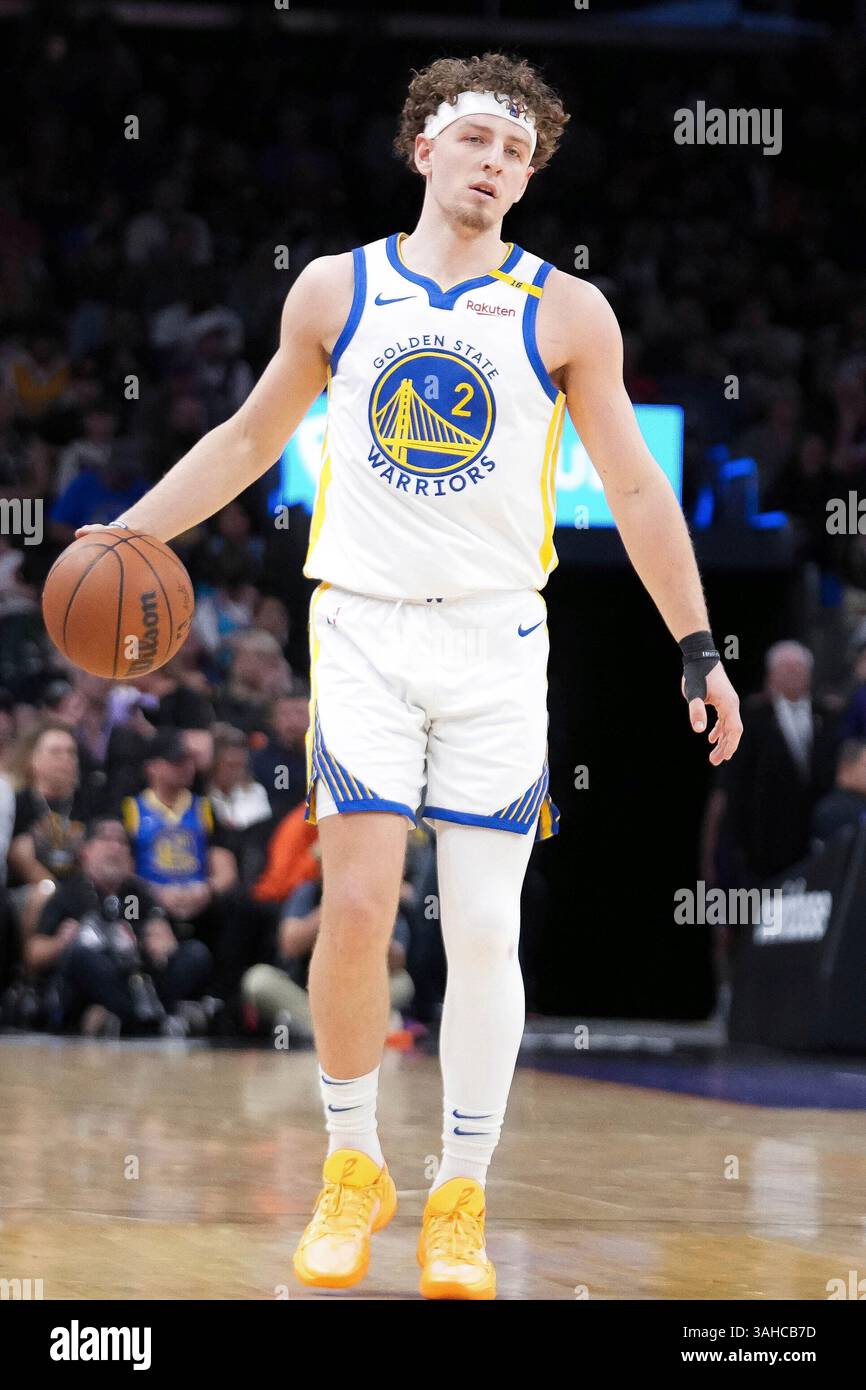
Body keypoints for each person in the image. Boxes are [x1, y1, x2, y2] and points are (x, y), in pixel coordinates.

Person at [75, 51, 742, 1300]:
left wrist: (697, 645)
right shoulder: (338, 289)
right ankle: (349, 1165)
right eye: (478, 140)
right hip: (367, 630)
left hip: (497, 638)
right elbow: (244, 438)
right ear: (423, 147)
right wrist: (132, 533)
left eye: (518, 154)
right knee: (360, 905)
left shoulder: (565, 311)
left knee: (485, 928)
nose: (496, 164)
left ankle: (460, 1193)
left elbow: (641, 490)